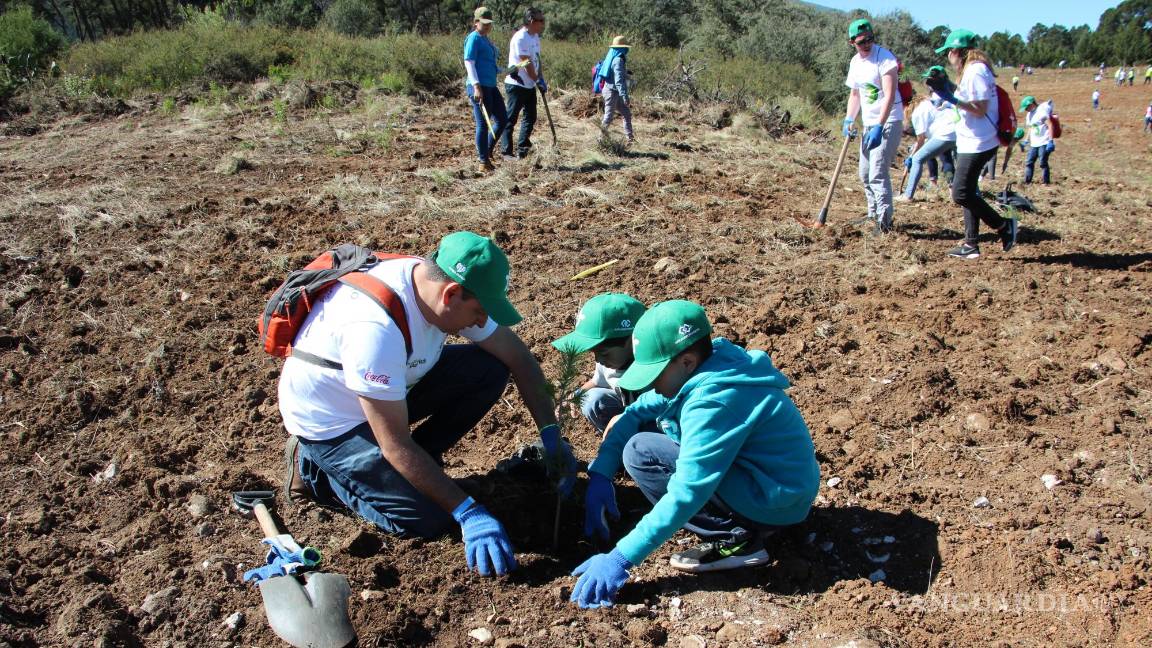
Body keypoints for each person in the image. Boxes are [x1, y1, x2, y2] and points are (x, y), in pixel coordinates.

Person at [280, 231, 578, 577]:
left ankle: (417, 471)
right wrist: (467, 511)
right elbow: (395, 445)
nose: (482, 321)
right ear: (451, 294)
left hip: (392, 386)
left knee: (488, 369)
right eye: (480, 311)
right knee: (428, 518)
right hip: (335, 422)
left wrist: (552, 435)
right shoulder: (374, 330)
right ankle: (317, 471)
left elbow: (517, 357)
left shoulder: (430, 284)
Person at [569, 300, 820, 609]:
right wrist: (601, 473)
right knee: (640, 443)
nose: (649, 383)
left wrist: (620, 557)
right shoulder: (708, 366)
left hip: (776, 501)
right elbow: (634, 412)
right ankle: (746, 524)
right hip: (773, 484)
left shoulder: (713, 401)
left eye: (655, 372)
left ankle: (737, 539)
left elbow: (687, 492)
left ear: (686, 361)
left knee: (641, 452)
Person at [929, 29, 1017, 260]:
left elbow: (980, 108)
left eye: (948, 51)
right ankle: (971, 244)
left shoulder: (976, 71)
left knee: (960, 192)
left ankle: (1003, 225)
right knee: (969, 190)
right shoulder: (973, 70)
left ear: (956, 51)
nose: (947, 56)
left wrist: (950, 98)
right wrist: (948, 85)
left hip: (979, 141)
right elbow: (970, 98)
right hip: (972, 139)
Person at [552, 293, 647, 437]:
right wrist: (576, 395)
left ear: (632, 341)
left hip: (656, 413)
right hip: (628, 405)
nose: (598, 359)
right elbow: (597, 381)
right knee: (591, 399)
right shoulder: (609, 362)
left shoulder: (649, 368)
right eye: (594, 353)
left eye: (605, 353)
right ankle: (617, 437)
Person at [842, 18, 905, 235]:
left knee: (878, 173)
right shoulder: (855, 63)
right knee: (864, 173)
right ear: (852, 43)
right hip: (869, 124)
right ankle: (872, 213)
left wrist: (880, 124)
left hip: (888, 120)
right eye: (861, 42)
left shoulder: (885, 59)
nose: (867, 44)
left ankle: (884, 221)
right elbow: (855, 94)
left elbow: (889, 95)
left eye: (870, 39)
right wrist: (849, 119)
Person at [898, 66, 958, 202]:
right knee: (954, 161)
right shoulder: (928, 103)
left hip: (945, 134)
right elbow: (923, 141)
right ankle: (962, 194)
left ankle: (907, 195)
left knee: (918, 159)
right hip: (956, 132)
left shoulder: (918, 112)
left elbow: (920, 139)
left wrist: (911, 157)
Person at [463, 7, 508, 173]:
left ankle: (487, 151)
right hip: (479, 87)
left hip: (491, 85)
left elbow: (491, 65)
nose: (487, 26)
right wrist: (476, 86)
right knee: (483, 124)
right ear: (476, 22)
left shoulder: (487, 40)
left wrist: (509, 70)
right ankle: (483, 162)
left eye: (489, 23)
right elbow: (469, 62)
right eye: (484, 23)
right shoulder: (473, 38)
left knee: (503, 119)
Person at [500, 8, 547, 161]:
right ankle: (506, 151)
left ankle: (523, 148)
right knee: (511, 118)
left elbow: (537, 60)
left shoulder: (535, 37)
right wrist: (537, 79)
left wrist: (541, 78)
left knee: (531, 116)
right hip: (517, 84)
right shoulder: (521, 38)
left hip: (529, 84)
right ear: (532, 22)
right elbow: (526, 63)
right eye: (541, 20)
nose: (543, 23)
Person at [598, 35, 634, 144]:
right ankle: (600, 139)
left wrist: (626, 73)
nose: (627, 49)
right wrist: (625, 96)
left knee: (626, 114)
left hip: (614, 91)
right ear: (621, 48)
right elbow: (618, 81)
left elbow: (616, 75)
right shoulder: (618, 60)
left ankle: (630, 139)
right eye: (625, 47)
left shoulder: (615, 57)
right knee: (608, 116)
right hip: (612, 92)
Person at [1020, 96, 1054, 184]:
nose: (1026, 110)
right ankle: (1027, 181)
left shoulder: (1041, 112)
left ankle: (1045, 182)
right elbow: (1031, 128)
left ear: (1031, 104)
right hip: (1034, 143)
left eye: (1026, 107)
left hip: (1044, 142)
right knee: (1029, 162)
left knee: (1043, 162)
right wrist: (1026, 140)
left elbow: (1050, 125)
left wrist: (1050, 141)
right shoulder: (1029, 115)